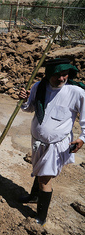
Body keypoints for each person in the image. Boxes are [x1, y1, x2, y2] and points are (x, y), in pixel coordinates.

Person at [18, 58, 85, 226]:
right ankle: (34, 196)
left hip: (57, 145)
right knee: (39, 168)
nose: (62, 79)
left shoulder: (76, 92)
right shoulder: (38, 87)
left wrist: (82, 138)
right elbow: (29, 108)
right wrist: (24, 99)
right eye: (57, 75)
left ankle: (41, 217)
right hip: (38, 141)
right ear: (48, 75)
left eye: (65, 75)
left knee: (45, 179)